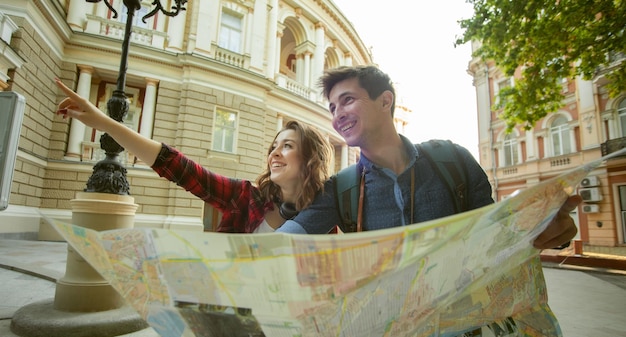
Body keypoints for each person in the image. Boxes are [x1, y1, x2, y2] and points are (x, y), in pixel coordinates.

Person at [277, 65, 580, 249]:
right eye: (332, 108)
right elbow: (282, 242)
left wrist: (543, 228)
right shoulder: (339, 190)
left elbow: (496, 234)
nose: (338, 115)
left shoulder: (453, 161)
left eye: (347, 101)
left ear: (385, 101)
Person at [54, 79, 334, 233]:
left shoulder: (325, 219)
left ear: (310, 159)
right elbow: (176, 165)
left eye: (287, 146)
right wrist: (105, 123)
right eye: (273, 146)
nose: (274, 152)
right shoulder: (245, 198)